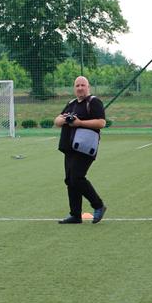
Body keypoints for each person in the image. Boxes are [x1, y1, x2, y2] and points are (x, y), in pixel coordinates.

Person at [54, 76, 106, 224]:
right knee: (70, 180)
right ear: (74, 88)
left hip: (85, 148)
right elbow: (57, 121)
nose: (80, 88)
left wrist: (80, 123)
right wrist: (65, 119)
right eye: (77, 86)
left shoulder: (94, 102)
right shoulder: (71, 103)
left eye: (83, 85)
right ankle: (75, 215)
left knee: (77, 178)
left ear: (88, 87)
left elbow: (101, 122)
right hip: (69, 148)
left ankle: (98, 205)